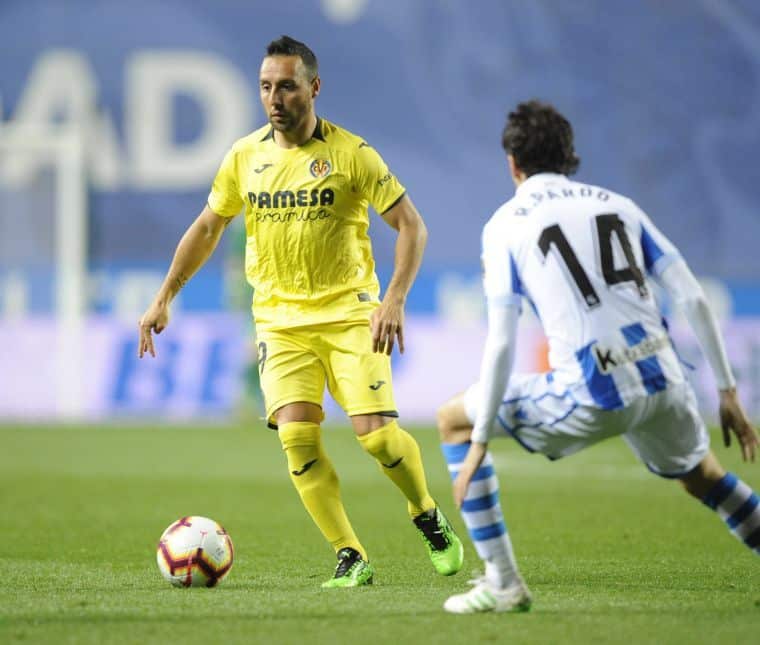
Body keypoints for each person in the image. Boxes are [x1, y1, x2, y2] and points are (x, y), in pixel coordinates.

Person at [138, 35, 463, 588]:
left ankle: (427, 515)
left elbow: (411, 224)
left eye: (286, 86)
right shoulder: (245, 157)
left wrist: (395, 298)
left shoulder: (352, 155)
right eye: (265, 87)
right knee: (297, 439)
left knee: (378, 439)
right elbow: (209, 226)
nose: (274, 98)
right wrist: (165, 294)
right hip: (280, 322)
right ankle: (350, 553)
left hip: (349, 313)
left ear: (313, 87)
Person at [437, 100, 759, 614]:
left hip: (596, 388)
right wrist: (726, 391)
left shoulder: (505, 225)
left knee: (452, 418)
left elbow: (501, 339)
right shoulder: (619, 205)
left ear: (512, 163)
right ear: (570, 157)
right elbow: (693, 297)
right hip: (664, 376)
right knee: (705, 476)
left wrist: (478, 439)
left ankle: (503, 585)